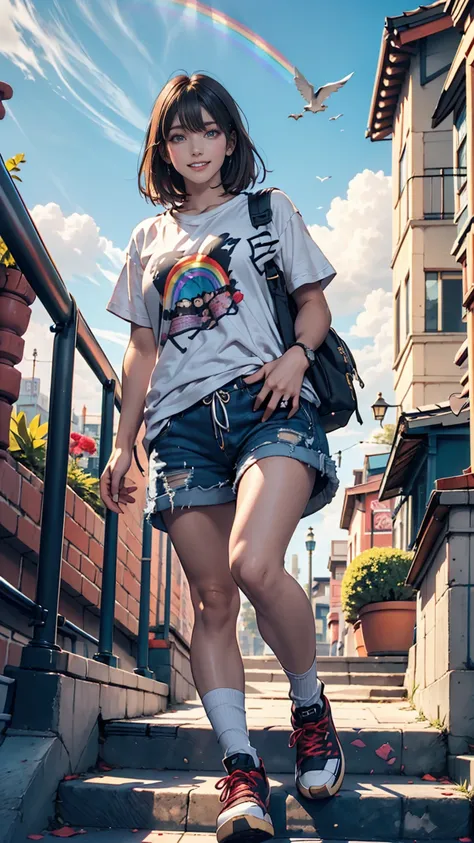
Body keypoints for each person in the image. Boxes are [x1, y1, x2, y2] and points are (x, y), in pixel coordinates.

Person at [100, 72, 345, 843]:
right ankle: (241, 770)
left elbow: (314, 302)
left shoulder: (269, 212)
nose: (194, 146)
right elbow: (142, 350)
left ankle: (309, 708)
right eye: (179, 134)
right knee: (211, 600)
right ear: (163, 149)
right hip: (179, 429)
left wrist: (298, 358)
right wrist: (123, 441)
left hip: (267, 401)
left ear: (231, 139)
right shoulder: (147, 241)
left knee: (254, 562)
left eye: (208, 130)